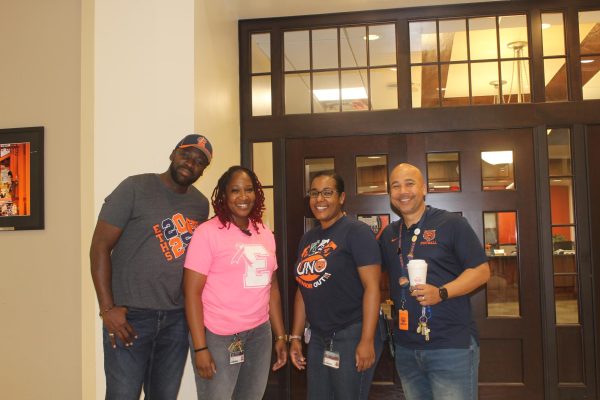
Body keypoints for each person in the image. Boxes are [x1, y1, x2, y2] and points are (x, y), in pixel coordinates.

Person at [90, 134, 213, 400]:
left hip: (176, 321)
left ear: (203, 170)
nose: (190, 163)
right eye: (186, 154)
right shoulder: (134, 187)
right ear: (173, 153)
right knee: (123, 395)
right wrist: (107, 309)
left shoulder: (200, 205)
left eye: (199, 161)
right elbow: (99, 246)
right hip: (130, 318)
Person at [378, 163, 491, 400]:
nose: (402, 191)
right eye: (395, 186)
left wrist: (441, 292)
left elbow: (481, 271)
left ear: (424, 188)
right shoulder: (389, 234)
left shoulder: (451, 224)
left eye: (409, 183)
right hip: (407, 349)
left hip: (450, 347)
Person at [183, 166, 287, 400]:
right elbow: (191, 293)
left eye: (249, 190)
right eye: (235, 190)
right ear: (223, 195)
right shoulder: (207, 233)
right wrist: (200, 348)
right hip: (218, 337)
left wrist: (280, 336)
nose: (243, 197)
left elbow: (272, 288)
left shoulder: (264, 232)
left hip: (259, 335)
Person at [289, 171, 383, 400]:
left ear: (341, 198)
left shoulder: (356, 232)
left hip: (352, 333)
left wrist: (367, 340)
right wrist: (295, 337)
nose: (319, 199)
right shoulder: (308, 238)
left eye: (327, 193)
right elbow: (303, 288)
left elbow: (372, 287)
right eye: (314, 193)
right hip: (320, 337)